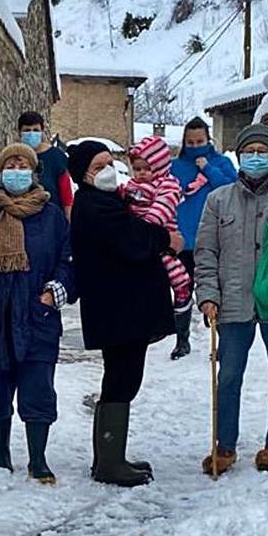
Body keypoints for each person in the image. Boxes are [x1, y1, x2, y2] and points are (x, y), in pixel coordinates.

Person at [70, 140, 183, 488]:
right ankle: (109, 463)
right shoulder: (94, 206)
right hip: (118, 309)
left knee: (122, 380)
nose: (107, 171)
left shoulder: (105, 201)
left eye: (109, 163)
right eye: (98, 166)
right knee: (121, 381)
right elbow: (132, 239)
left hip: (122, 309)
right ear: (83, 175)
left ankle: (109, 456)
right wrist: (166, 238)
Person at [195, 123, 268, 475]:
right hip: (232, 300)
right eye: (249, 152)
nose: (255, 158)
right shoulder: (218, 199)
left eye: (262, 151)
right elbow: (206, 252)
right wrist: (208, 295)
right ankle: (224, 445)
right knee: (228, 376)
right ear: (239, 156)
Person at [0, 143, 74, 484]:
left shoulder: (51, 215)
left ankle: (38, 460)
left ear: (33, 170)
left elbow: (67, 258)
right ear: (0, 171)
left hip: (36, 315)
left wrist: (54, 292)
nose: (16, 168)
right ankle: (0, 458)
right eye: (10, 162)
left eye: (22, 162)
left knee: (38, 390)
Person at [170, 117, 237, 359]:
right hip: (183, 240)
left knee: (216, 291)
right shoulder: (174, 166)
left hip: (215, 239)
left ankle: (219, 340)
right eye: (190, 142)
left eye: (200, 141)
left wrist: (207, 168)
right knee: (182, 290)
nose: (195, 145)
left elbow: (232, 188)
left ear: (209, 140)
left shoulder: (222, 163)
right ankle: (182, 340)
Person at [124, 135, 194, 358]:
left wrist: (146, 228)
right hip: (141, 239)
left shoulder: (168, 185)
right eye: (137, 169)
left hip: (162, 239)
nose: (141, 173)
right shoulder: (131, 186)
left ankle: (182, 303)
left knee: (176, 275)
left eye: (147, 169)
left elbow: (162, 208)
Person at [17, 111, 74, 219]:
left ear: (42, 132)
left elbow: (66, 195)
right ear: (20, 133)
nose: (31, 134)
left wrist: (68, 221)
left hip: (51, 218)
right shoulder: (14, 156)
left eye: (35, 130)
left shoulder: (56, 157)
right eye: (27, 130)